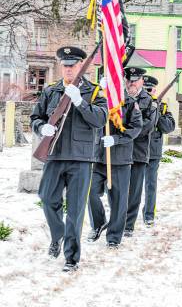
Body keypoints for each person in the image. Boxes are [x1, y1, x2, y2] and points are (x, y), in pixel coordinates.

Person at [30, 46, 108, 272]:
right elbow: (36, 116)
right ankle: (58, 235)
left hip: (81, 159)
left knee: (75, 210)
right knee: (46, 198)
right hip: (54, 155)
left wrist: (80, 102)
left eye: (73, 65)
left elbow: (99, 120)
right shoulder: (51, 91)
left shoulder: (93, 92)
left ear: (82, 66)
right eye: (65, 66)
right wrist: (40, 127)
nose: (68, 70)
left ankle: (71, 258)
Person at [87, 86, 143, 249]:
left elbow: (136, 127)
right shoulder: (99, 99)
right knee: (90, 192)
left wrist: (116, 139)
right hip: (98, 156)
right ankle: (98, 223)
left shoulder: (130, 103)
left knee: (118, 200)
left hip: (120, 158)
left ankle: (114, 235)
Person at [123, 67, 157, 237]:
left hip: (139, 152)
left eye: (135, 80)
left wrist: (125, 131)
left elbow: (146, 128)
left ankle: (128, 225)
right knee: (118, 190)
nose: (132, 83)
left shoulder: (150, 102)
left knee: (134, 191)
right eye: (129, 80)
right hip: (119, 152)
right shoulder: (118, 98)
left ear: (142, 81)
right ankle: (116, 220)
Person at [142, 75, 175, 226]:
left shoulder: (162, 107)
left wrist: (157, 112)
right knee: (131, 186)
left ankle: (149, 215)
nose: (148, 92)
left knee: (150, 185)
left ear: (155, 90)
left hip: (153, 152)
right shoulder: (137, 104)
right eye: (145, 89)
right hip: (136, 150)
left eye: (150, 89)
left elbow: (169, 127)